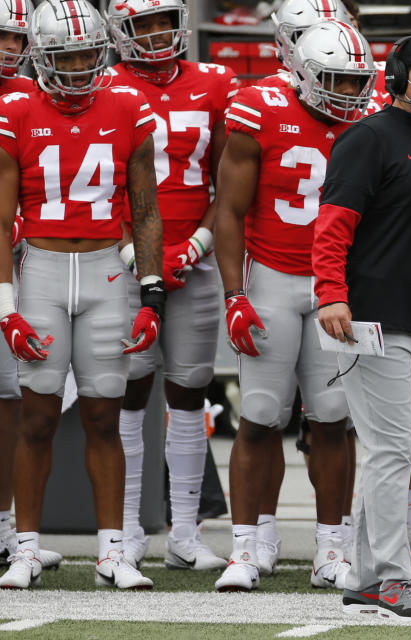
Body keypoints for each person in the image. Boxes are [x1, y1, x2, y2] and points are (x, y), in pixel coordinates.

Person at [0, 0, 163, 590]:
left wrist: (152, 293)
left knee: (104, 415)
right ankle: (25, 549)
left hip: (104, 272)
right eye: (65, 55)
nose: (77, 66)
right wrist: (6, 307)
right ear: (41, 57)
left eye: (87, 54)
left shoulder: (127, 103)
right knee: (38, 416)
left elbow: (145, 210)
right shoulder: (15, 107)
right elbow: (0, 219)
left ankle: (113, 552)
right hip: (40, 269)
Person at [213, 19, 375, 593]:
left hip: (339, 287)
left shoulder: (375, 116)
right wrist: (234, 294)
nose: (347, 93)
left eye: (357, 82)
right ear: (303, 73)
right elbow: (228, 210)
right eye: (334, 79)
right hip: (274, 276)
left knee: (333, 418)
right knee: (259, 415)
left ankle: (331, 550)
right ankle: (244, 549)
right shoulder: (259, 108)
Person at [313, 34, 411, 622]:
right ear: (399, 75)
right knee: (388, 449)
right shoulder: (368, 138)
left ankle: (366, 575)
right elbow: (333, 225)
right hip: (373, 322)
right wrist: (330, 294)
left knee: (395, 449)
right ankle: (394, 579)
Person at [105, 0, 237, 572]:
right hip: (121, 256)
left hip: (196, 254)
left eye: (165, 20)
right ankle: (131, 528)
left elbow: (230, 184)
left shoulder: (216, 81)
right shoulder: (103, 83)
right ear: (121, 31)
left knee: (189, 391)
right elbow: (96, 183)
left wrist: (196, 246)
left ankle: (185, 532)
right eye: (144, 24)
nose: (158, 34)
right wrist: (142, 256)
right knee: (129, 392)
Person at [0, 0, 61, 574]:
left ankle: (4, 526)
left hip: (16, 265)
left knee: (11, 401)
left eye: (15, 38)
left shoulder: (28, 99)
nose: (7, 48)